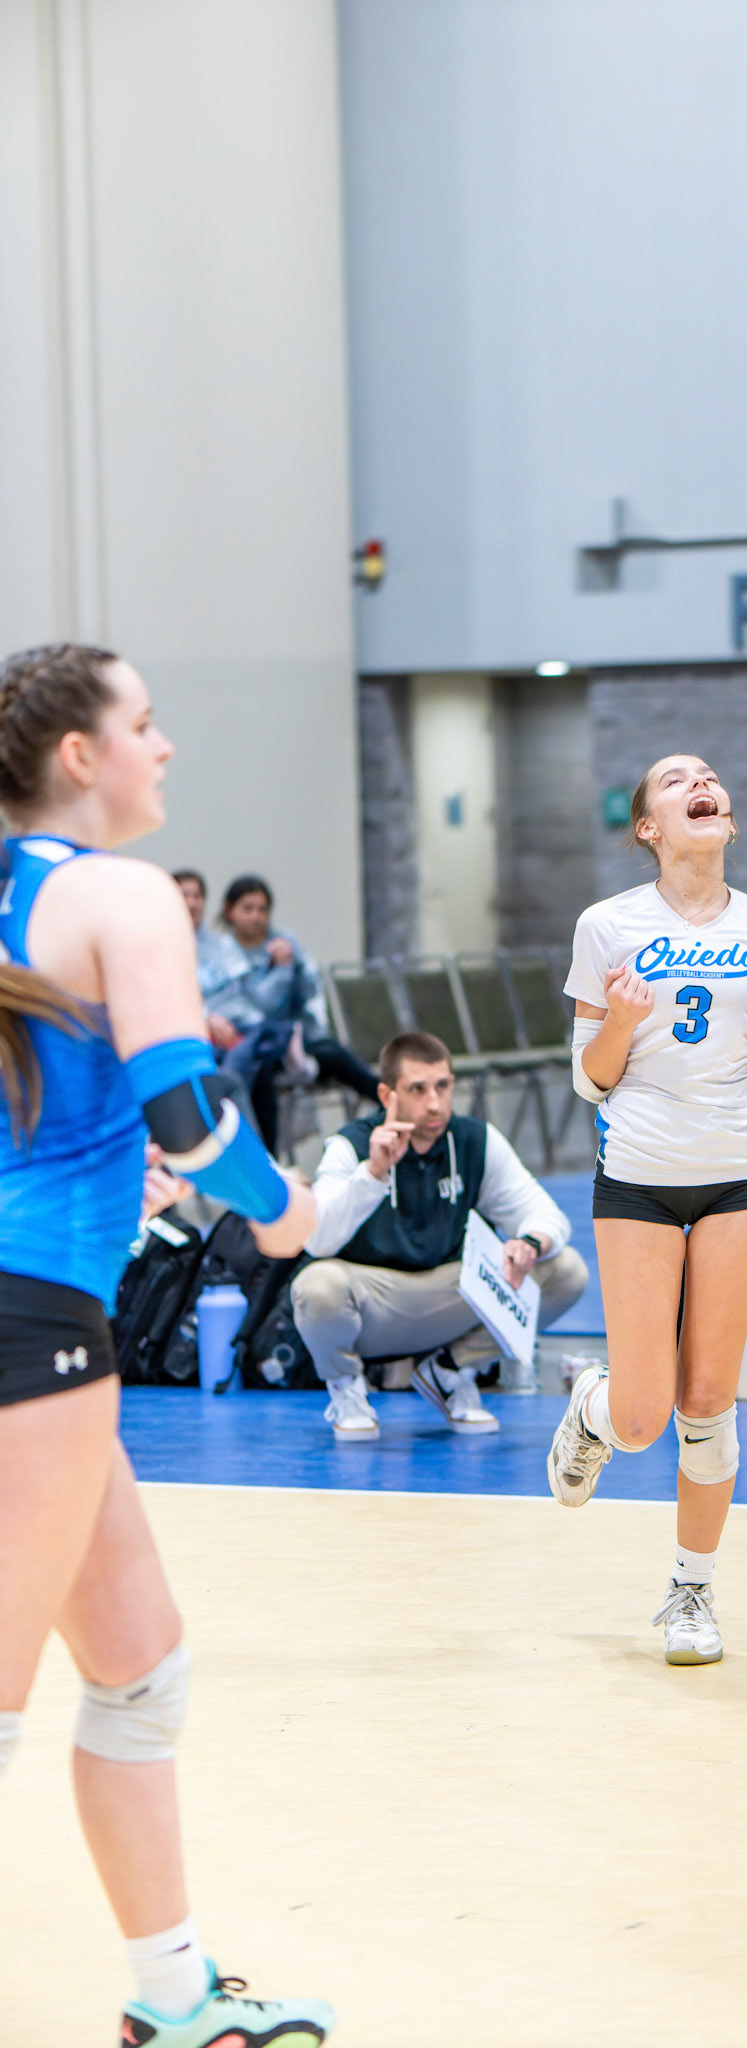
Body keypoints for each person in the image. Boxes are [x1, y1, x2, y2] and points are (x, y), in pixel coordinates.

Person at [0, 643, 333, 2045]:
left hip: (40, 1328)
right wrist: (284, 1208)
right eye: (145, 722)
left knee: (139, 1670)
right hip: (28, 1329)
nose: (167, 745)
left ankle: (175, 1995)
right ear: (80, 753)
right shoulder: (119, 891)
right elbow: (187, 1119)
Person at [548, 753, 747, 1665]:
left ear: (725, 816)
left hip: (737, 1171)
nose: (701, 782)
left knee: (707, 1401)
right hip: (640, 1173)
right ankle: (594, 1408)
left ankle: (691, 1592)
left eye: (710, 776)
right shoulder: (606, 925)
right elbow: (589, 1080)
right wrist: (619, 1020)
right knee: (643, 1417)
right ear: (649, 826)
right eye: (675, 779)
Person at [293, 1030, 589, 1441]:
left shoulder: (475, 1141)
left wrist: (530, 1243)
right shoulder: (351, 1145)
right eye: (418, 1089)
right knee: (316, 1286)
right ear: (387, 1095)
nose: (434, 1103)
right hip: (374, 1304)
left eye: (443, 1086)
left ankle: (451, 1370)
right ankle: (347, 1388)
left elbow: (545, 1214)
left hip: (449, 1296)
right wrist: (373, 1174)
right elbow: (317, 1241)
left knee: (565, 1270)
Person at [197, 873, 380, 1152]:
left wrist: (295, 966)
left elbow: (309, 993)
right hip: (258, 1044)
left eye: (262, 909)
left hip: (293, 1037)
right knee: (260, 1068)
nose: (256, 916)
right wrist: (281, 971)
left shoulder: (285, 942)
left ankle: (389, 1101)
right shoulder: (224, 952)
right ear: (229, 910)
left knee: (333, 1054)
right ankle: (267, 1158)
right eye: (248, 908)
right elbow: (259, 1006)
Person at [172, 868, 237, 1054]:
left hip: (230, 1030)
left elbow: (238, 992)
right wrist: (205, 1017)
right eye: (184, 895)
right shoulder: (159, 948)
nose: (191, 903)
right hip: (185, 1036)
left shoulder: (224, 945)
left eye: (197, 896)